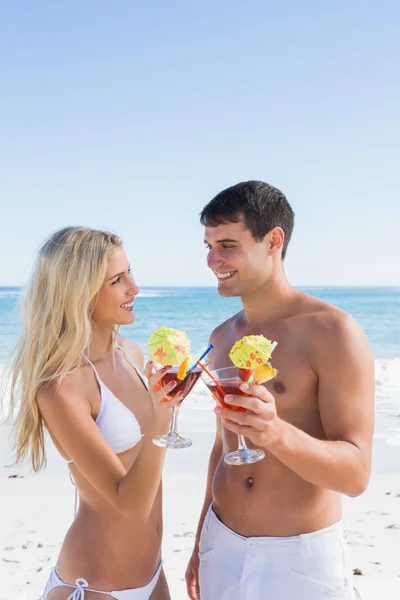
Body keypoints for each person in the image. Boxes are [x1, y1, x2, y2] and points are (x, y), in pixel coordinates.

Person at [185, 181, 375, 600]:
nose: (213, 260)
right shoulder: (221, 336)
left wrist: (275, 433)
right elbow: (223, 448)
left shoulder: (333, 332)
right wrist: (201, 539)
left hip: (300, 559)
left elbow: (357, 474)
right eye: (208, 246)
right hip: (222, 544)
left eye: (228, 245)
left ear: (273, 240)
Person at [6, 226, 182, 600]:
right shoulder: (61, 388)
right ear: (80, 293)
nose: (134, 288)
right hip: (95, 587)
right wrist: (163, 419)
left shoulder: (132, 354)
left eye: (129, 273)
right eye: (117, 280)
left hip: (153, 575)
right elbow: (130, 505)